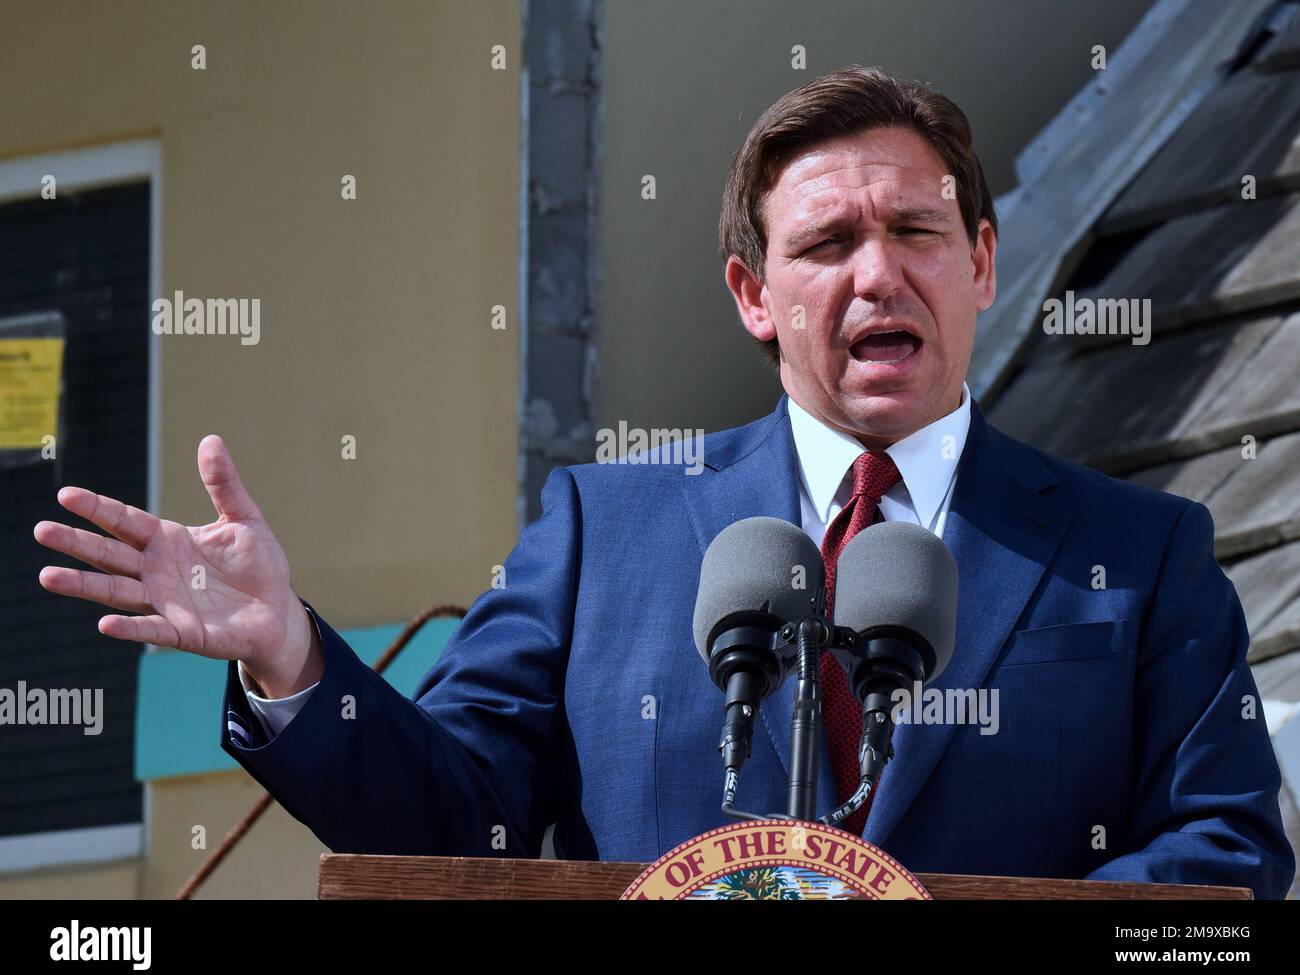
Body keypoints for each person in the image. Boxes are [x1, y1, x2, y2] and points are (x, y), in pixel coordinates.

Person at [33, 66, 1294, 897]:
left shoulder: (1142, 554)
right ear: (753, 295)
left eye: (914, 231)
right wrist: (293, 658)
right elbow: (457, 821)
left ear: (980, 261)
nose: (876, 275)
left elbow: (1222, 871)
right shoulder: (604, 533)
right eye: (826, 244)